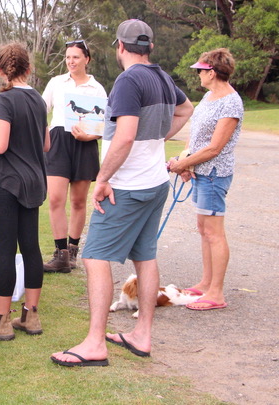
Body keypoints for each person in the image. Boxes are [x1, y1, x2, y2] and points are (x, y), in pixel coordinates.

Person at [50, 19, 193, 366]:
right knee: (145, 257)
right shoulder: (160, 76)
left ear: (119, 46)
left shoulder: (129, 80)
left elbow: (126, 136)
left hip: (127, 187)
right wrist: (155, 136)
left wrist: (102, 179)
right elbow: (185, 109)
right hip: (155, 183)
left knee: (94, 256)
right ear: (151, 48)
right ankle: (141, 335)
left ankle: (95, 343)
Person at [0, 42, 50, 340]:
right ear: (29, 69)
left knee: (5, 250)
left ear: (1, 72)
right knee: (31, 248)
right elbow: (46, 145)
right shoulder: (39, 101)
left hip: (6, 182)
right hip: (33, 182)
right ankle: (30, 316)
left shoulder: (3, 101)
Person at [167, 48, 243, 311]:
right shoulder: (210, 97)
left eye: (200, 70)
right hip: (200, 171)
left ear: (211, 72)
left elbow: (214, 148)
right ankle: (206, 283)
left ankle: (216, 293)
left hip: (214, 174)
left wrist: (183, 164)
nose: (197, 75)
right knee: (204, 230)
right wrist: (185, 162)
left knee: (214, 232)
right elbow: (197, 137)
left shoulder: (230, 102)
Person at [42, 40, 108, 273]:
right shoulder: (56, 82)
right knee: (55, 199)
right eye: (68, 57)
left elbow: (102, 126)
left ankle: (72, 253)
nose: (71, 61)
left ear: (86, 59)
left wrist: (88, 138)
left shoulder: (97, 88)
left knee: (79, 202)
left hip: (84, 145)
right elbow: (41, 111)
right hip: (58, 141)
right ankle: (59, 254)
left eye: (76, 57)